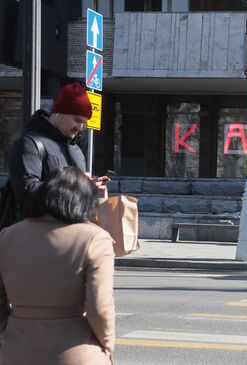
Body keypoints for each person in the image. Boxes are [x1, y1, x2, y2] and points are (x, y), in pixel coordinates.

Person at [0, 166, 115, 364]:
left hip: (15, 351)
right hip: (75, 351)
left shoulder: (7, 236)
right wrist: (107, 345)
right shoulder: (94, 238)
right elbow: (99, 308)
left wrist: (9, 333)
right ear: (84, 201)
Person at [7, 83, 109, 222]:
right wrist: (75, 186)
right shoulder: (30, 144)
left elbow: (76, 198)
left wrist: (89, 188)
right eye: (77, 120)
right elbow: (26, 192)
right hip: (40, 235)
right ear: (58, 112)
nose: (80, 127)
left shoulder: (75, 150)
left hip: (71, 233)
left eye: (84, 123)